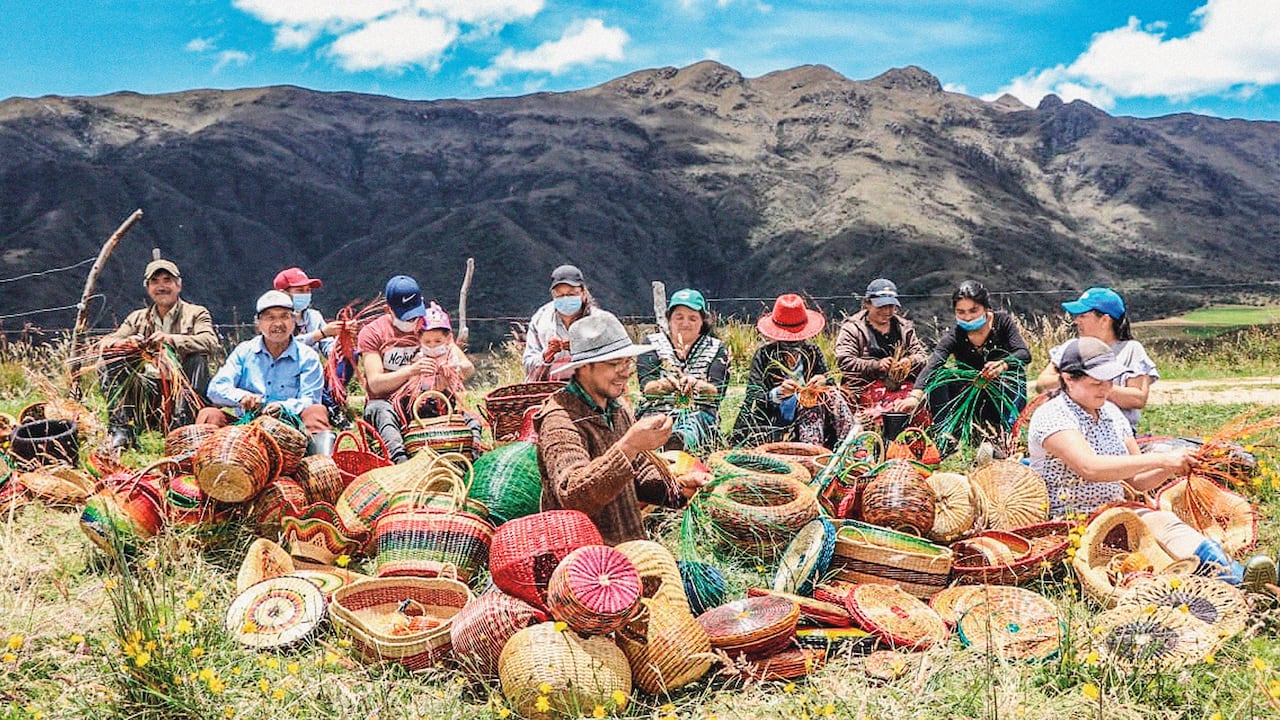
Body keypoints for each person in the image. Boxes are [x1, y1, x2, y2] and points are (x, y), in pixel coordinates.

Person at [535, 310, 710, 545]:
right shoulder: (560, 420)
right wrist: (629, 445)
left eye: (627, 362)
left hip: (629, 549)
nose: (625, 372)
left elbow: (638, 475)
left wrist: (679, 489)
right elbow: (573, 496)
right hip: (585, 564)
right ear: (585, 367)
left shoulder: (616, 409)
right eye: (614, 364)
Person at [1028, 337, 1193, 518]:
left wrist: (1173, 466)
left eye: (1110, 382)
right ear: (1068, 379)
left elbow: (1137, 480)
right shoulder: (1054, 414)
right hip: (1072, 518)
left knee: (1169, 524)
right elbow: (1090, 467)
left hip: (1115, 512)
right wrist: (1163, 459)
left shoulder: (1111, 412)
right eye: (1096, 383)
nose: (1105, 389)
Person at [100, 253, 219, 449]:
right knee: (111, 360)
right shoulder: (137, 318)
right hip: (147, 392)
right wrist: (125, 343)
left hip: (182, 392)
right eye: (154, 282)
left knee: (197, 359)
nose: (161, 286)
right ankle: (121, 430)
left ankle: (181, 427)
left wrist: (172, 340)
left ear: (178, 285)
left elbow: (210, 341)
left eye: (167, 280)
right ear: (148, 289)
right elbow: (106, 343)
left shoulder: (196, 313)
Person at [196, 291, 331, 449]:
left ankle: (318, 466)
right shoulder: (244, 351)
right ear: (258, 323)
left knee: (316, 412)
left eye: (284, 316)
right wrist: (241, 397)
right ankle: (206, 466)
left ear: (293, 321)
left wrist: (283, 407)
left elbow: (311, 399)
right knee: (209, 415)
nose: (278, 323)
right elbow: (215, 388)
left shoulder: (307, 356)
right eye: (270, 317)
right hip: (246, 431)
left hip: (293, 432)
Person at [908, 281, 1030, 447]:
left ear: (986, 308)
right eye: (961, 312)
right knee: (939, 377)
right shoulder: (956, 335)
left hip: (1004, 389)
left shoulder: (1002, 323)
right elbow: (935, 362)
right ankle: (945, 435)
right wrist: (915, 396)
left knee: (1009, 383)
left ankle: (1004, 433)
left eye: (973, 310)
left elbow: (1023, 354)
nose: (968, 317)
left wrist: (1002, 365)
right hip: (972, 389)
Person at [728, 294, 855, 449]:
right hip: (777, 418)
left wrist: (822, 382)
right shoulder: (764, 356)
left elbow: (829, 383)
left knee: (829, 396)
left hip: (815, 413)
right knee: (807, 405)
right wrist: (779, 393)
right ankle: (810, 450)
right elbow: (755, 395)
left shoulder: (812, 353)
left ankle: (851, 446)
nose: (793, 343)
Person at [1034, 287, 1158, 431]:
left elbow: (1138, 398)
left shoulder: (1130, 350)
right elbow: (1042, 384)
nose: (1076, 321)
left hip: (1117, 432)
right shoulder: (1071, 347)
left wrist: (1095, 387)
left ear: (1105, 320)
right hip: (1070, 429)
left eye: (1083, 316)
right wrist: (1078, 382)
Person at [635, 289, 730, 456]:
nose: (685, 323)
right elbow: (647, 388)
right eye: (679, 317)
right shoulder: (652, 344)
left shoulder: (716, 348)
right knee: (655, 424)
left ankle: (678, 443)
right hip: (658, 410)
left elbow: (717, 392)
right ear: (669, 319)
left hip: (698, 412)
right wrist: (666, 385)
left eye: (692, 318)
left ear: (702, 321)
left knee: (693, 424)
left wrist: (696, 385)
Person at [357, 275, 431, 464]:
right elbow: (375, 384)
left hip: (419, 399)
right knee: (382, 411)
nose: (413, 320)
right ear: (387, 310)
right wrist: (411, 370)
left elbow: (465, 366)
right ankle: (399, 463)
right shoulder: (372, 333)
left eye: (416, 313)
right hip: (384, 403)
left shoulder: (430, 325)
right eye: (405, 315)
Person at [834, 278, 928, 417]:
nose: (887, 311)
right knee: (880, 413)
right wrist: (876, 365)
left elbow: (922, 356)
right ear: (867, 303)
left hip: (901, 386)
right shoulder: (853, 329)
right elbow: (844, 361)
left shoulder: (903, 328)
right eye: (881, 306)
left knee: (917, 405)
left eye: (891, 306)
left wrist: (909, 361)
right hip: (864, 388)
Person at [273, 267, 350, 426]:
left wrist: (341, 345)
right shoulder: (274, 319)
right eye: (300, 290)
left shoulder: (314, 316)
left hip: (314, 372)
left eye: (308, 291)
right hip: (287, 373)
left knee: (350, 356)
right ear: (283, 293)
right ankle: (331, 408)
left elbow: (327, 346)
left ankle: (334, 400)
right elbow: (282, 345)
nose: (305, 295)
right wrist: (321, 333)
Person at [522, 264, 594, 381]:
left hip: (589, 384)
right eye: (559, 295)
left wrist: (580, 349)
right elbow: (528, 361)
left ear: (583, 293)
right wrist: (546, 356)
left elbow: (610, 358)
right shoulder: (541, 319)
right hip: (548, 385)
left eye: (571, 294)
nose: (565, 298)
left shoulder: (597, 320)